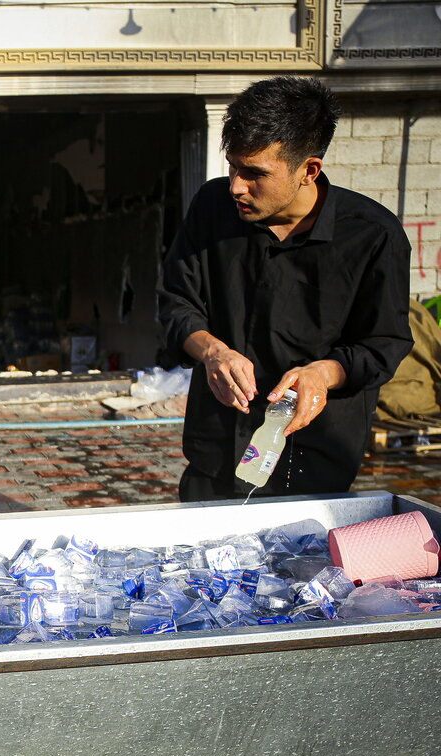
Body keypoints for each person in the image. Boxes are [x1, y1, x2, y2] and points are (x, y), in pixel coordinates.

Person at [157, 76, 411, 506]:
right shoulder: (212, 207)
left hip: (311, 463)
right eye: (233, 167)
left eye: (255, 173)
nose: (236, 185)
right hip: (214, 452)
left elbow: (384, 344)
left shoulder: (373, 236)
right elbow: (176, 302)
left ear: (308, 170)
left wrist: (324, 374)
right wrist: (212, 351)